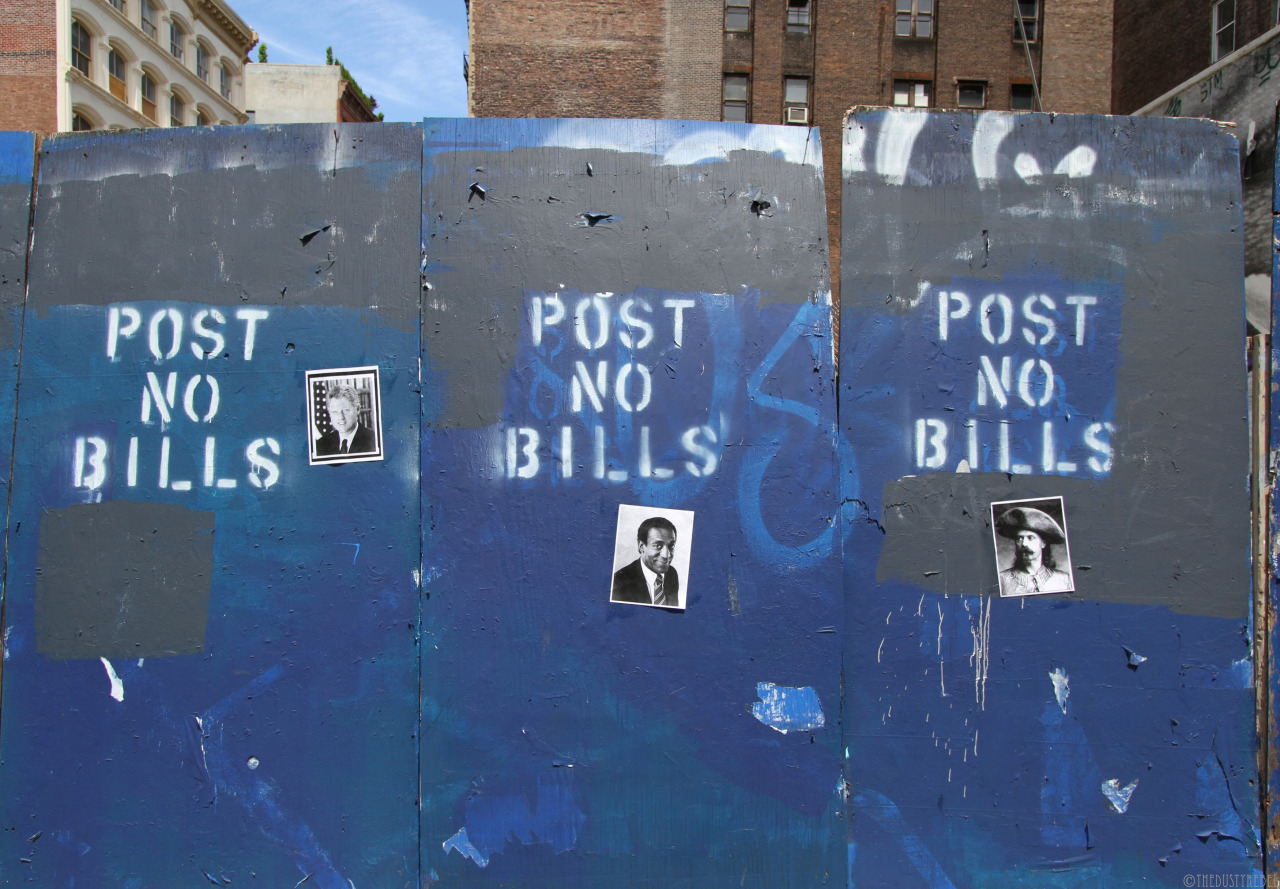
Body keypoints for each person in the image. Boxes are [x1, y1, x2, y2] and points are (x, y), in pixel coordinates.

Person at [995, 505, 1072, 596]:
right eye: (1019, 538)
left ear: (1043, 543)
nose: (1024, 544)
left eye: (1030, 538)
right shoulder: (1001, 580)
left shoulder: (1064, 580)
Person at [612, 516, 680, 607]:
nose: (666, 555)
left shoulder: (672, 574)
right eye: (657, 546)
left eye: (671, 546)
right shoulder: (619, 581)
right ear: (641, 547)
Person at [315, 383, 376, 457]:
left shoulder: (374, 441)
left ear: (357, 409)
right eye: (335, 412)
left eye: (346, 410)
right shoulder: (321, 445)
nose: (341, 417)